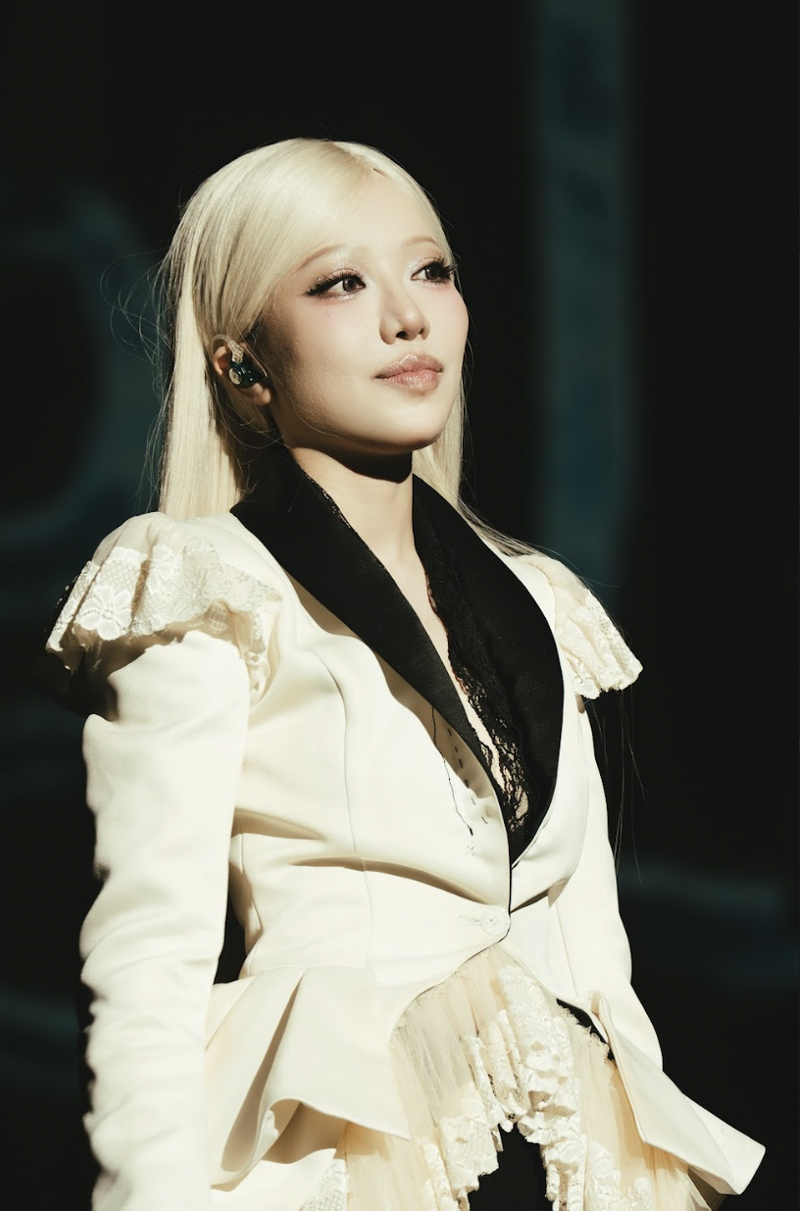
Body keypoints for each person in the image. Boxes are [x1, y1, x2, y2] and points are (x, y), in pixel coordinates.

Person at [42, 138, 764, 1211]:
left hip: (568, 1154)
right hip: (350, 1146)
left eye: (431, 270)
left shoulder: (539, 600)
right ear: (241, 364)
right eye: (340, 283)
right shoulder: (205, 582)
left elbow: (596, 963)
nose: (407, 317)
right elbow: (146, 961)